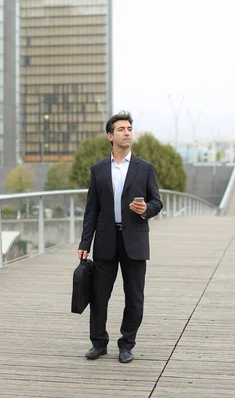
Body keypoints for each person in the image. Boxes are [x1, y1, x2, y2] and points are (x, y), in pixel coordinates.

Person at [77, 110, 163, 363]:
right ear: (110, 136)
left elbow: (157, 201)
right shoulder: (98, 169)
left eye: (129, 129)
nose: (127, 133)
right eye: (121, 130)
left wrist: (146, 209)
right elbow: (91, 209)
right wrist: (85, 242)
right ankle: (98, 343)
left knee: (134, 297)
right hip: (105, 241)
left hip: (135, 241)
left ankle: (127, 344)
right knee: (98, 296)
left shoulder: (145, 168)